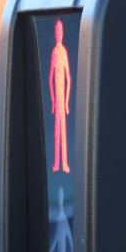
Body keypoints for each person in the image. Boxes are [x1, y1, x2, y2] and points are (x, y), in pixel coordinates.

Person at [48, 19, 71, 173]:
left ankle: (65, 163)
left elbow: (68, 78)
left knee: (63, 131)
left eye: (60, 31)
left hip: (63, 99)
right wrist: (53, 101)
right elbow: (50, 78)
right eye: (57, 31)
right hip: (57, 99)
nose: (59, 34)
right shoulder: (55, 52)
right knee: (57, 131)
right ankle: (57, 163)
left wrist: (67, 101)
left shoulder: (63, 52)